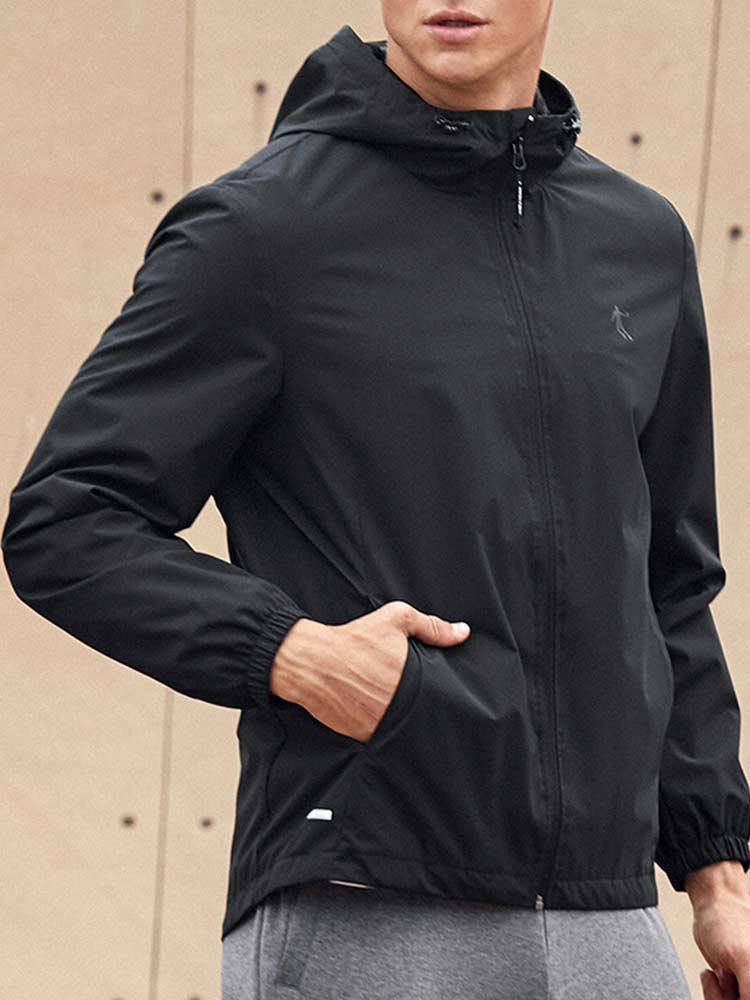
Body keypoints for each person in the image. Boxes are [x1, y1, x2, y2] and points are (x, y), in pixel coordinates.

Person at [3, 1, 750, 997]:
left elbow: (667, 582)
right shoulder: (266, 229)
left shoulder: (639, 241)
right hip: (362, 895)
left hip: (609, 919)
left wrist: (716, 869)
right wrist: (292, 653)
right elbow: (67, 518)